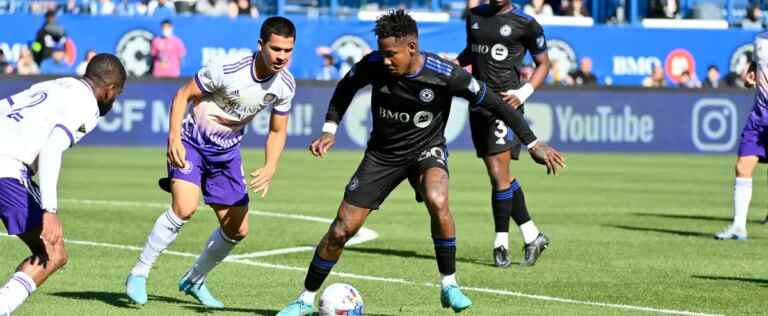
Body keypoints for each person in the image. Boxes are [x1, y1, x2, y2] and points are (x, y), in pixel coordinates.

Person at [275, 10, 565, 316]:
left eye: (391, 54)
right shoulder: (374, 64)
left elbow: (494, 102)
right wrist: (330, 129)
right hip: (382, 156)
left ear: (411, 47)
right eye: (383, 53)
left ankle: (449, 285)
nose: (385, 60)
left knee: (438, 199)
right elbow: (345, 89)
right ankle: (305, 299)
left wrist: (533, 142)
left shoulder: (445, 74)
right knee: (341, 230)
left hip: (427, 151)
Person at [124, 16, 297, 308]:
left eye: (288, 50)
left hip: (227, 155)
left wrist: (271, 166)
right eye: (276, 49)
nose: (281, 56)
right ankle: (139, 272)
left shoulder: (285, 86)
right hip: (192, 144)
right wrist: (174, 138)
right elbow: (182, 96)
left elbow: (277, 131)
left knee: (237, 230)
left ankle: (195, 279)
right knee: (185, 207)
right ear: (261, 45)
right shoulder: (227, 69)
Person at [0, 54, 126, 316]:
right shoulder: (87, 105)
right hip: (7, 166)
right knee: (53, 252)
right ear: (110, 90)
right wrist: (50, 210)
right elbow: (52, 147)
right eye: (117, 95)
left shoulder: (55, 84)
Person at [458, 0, 554, 267]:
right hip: (478, 103)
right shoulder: (474, 16)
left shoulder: (526, 24)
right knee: (500, 176)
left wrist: (523, 93)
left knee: (499, 177)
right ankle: (533, 235)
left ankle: (501, 244)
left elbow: (543, 63)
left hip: (505, 105)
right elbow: (472, 52)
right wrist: (453, 64)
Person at [715, 32, 768, 240]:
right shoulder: (761, 39)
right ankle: (739, 226)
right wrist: (752, 71)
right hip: (759, 117)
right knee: (742, 167)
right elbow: (758, 61)